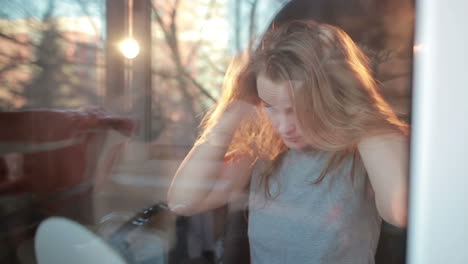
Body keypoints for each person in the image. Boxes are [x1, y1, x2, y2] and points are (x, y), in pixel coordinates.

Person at [167, 20, 409, 263]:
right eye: (270, 106)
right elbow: (183, 202)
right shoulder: (264, 147)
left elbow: (398, 213)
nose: (284, 127)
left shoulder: (360, 145)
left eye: (297, 109)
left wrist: (356, 95)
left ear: (330, 98)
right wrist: (233, 109)